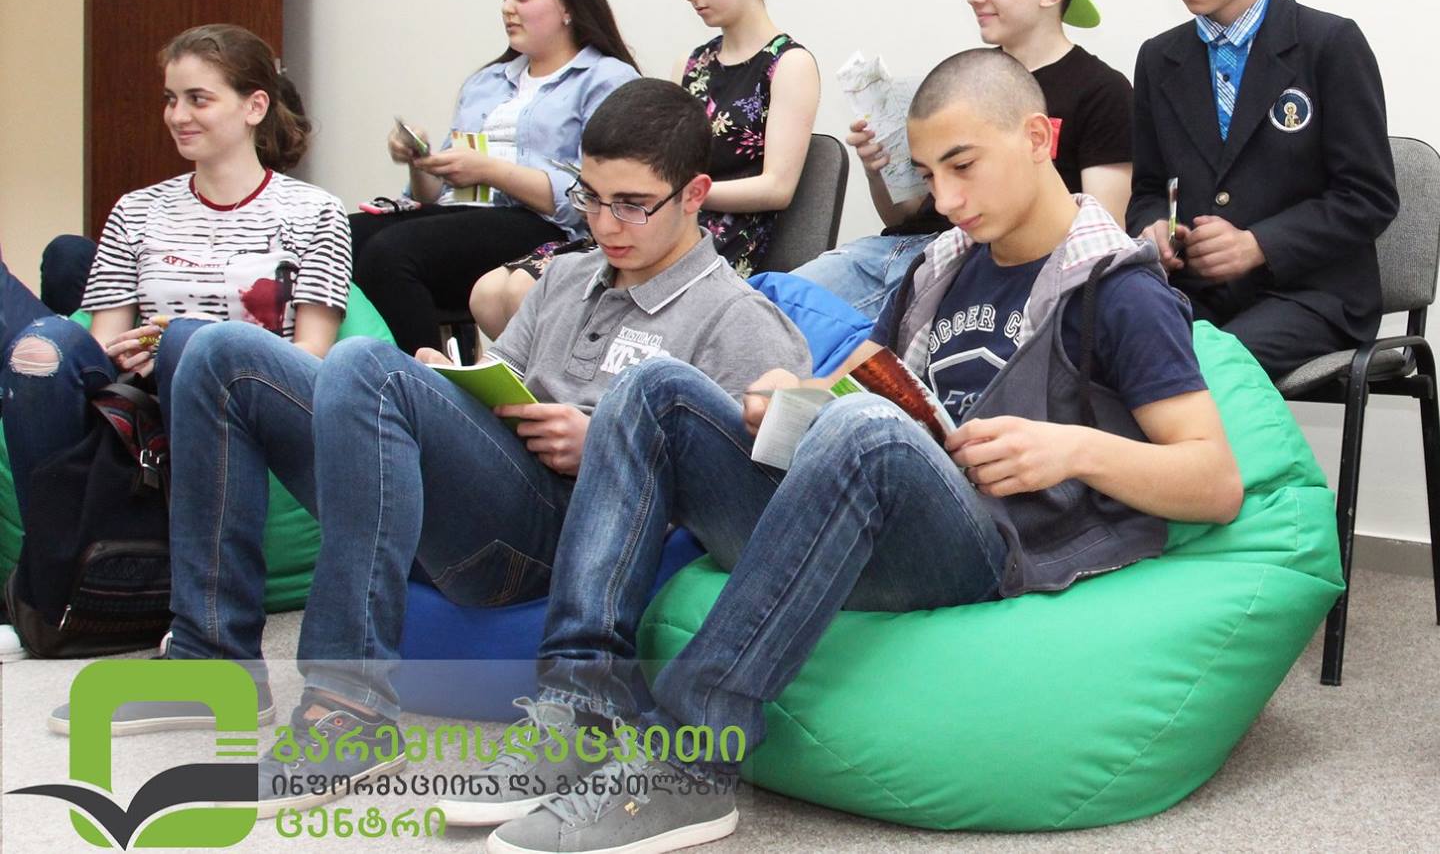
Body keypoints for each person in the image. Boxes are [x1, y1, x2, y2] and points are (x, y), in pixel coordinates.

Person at [461, 49, 1240, 854]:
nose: (945, 199)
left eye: (963, 166)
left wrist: (1073, 450)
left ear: (1040, 139)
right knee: (653, 387)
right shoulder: (940, 268)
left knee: (863, 430)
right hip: (860, 514)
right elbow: (866, 393)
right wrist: (787, 397)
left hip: (990, 546)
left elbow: (1215, 481)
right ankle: (580, 707)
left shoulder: (1119, 290)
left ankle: (689, 761)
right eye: (929, 174)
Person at [132, 80, 810, 815]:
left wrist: (607, 443)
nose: (605, 222)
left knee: (363, 364)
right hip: (467, 505)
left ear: (695, 194)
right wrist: (444, 388)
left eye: (632, 204)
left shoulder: (742, 320)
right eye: (590, 196)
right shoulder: (566, 276)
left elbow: (743, 505)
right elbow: (501, 385)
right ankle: (212, 660)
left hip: (559, 543)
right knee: (219, 352)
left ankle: (347, 710)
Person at [1, 25, 348, 661]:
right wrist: (127, 351)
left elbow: (312, 357)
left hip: (245, 404)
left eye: (198, 99)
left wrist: (199, 346)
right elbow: (101, 341)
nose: (177, 116)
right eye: (170, 99)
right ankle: (51, 599)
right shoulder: (137, 209)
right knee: (44, 346)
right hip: (142, 399)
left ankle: (195, 616)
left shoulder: (314, 212)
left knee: (191, 341)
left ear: (254, 106)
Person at [469, 0, 820, 338]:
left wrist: (678, 197)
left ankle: (569, 379)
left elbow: (777, 188)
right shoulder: (690, 64)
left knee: (529, 293)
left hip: (710, 240)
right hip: (652, 219)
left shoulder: (789, 64)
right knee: (488, 293)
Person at [1127, 0, 1399, 377]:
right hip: (1199, 295)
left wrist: (1259, 245)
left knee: (1204, 367)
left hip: (1311, 295)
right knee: (1110, 350)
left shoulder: (1329, 44)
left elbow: (1369, 197)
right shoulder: (1158, 59)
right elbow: (1149, 189)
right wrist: (1153, 229)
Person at [796, 0, 1133, 320]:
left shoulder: (1102, 92)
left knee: (802, 327)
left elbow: (1100, 238)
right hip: (897, 252)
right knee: (770, 302)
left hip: (985, 274)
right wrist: (878, 170)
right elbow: (909, 213)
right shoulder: (962, 79)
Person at [352, 0, 638, 352]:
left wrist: (488, 171)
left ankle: (421, 381)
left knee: (390, 252)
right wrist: (421, 161)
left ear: (567, 7)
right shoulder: (486, 81)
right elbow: (433, 197)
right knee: (344, 235)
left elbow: (591, 195)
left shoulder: (605, 79)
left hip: (544, 224)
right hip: (465, 215)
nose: (507, 8)